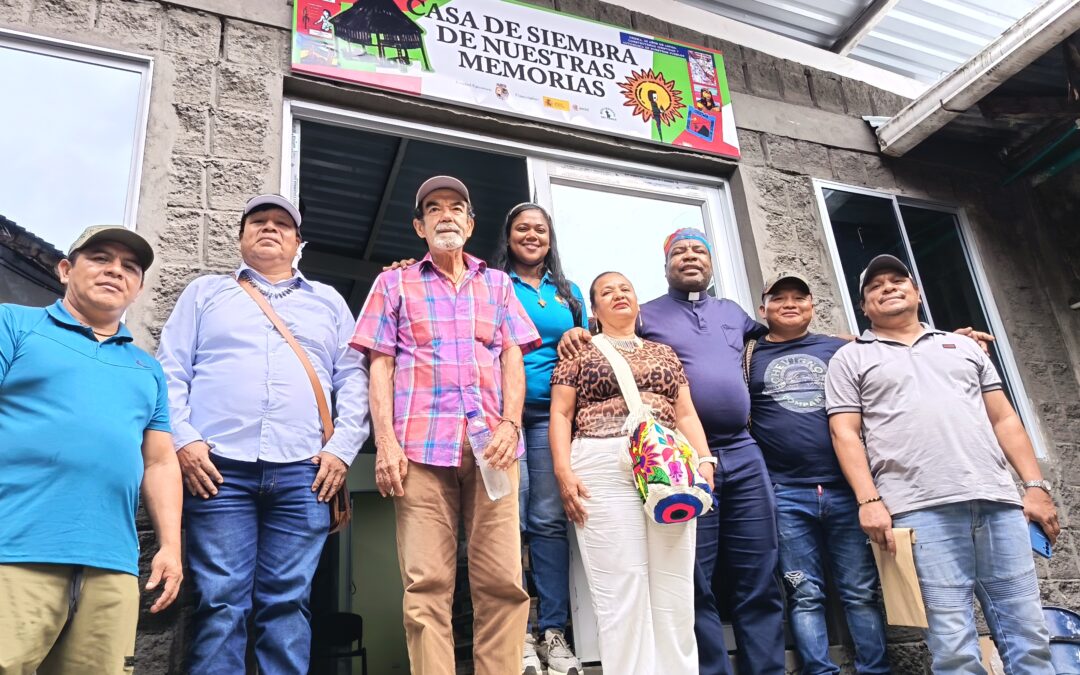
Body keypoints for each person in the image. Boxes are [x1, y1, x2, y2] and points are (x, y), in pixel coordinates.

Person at [157, 194, 370, 675]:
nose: (269, 228)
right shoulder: (205, 292)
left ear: (299, 242)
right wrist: (185, 441)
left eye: (282, 224)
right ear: (240, 237)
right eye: (258, 222)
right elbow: (169, 371)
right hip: (217, 472)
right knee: (220, 602)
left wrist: (341, 451)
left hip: (305, 474)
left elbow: (353, 379)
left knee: (287, 603)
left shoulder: (328, 301)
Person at [559, 227, 784, 675]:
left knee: (728, 577)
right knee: (662, 581)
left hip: (715, 457)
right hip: (634, 461)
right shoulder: (618, 331)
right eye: (679, 251)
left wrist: (846, 341)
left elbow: (783, 332)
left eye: (699, 249)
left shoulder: (728, 315)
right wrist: (576, 334)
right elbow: (574, 397)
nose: (690, 257)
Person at [826, 254, 1059, 673]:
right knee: (952, 647)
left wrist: (1035, 487)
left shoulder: (964, 346)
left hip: (999, 504)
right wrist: (868, 499)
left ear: (918, 292)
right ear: (864, 307)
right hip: (918, 511)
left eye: (898, 280)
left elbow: (1005, 418)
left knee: (1029, 634)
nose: (888, 288)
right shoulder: (850, 358)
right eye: (875, 286)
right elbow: (845, 434)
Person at [350, 176, 540, 675]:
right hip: (419, 449)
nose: (446, 215)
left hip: (493, 450)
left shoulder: (498, 284)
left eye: (456, 207)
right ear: (419, 226)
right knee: (427, 585)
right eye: (433, 209)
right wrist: (385, 442)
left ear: (471, 223)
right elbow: (379, 364)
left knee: (503, 582)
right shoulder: (393, 283)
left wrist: (511, 425)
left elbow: (512, 359)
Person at [0, 226, 182, 674]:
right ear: (66, 269)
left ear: (137, 287)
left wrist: (171, 547)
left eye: (129, 267)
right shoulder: (14, 325)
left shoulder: (147, 368)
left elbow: (159, 461)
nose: (115, 271)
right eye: (100, 258)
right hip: (16, 547)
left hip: (111, 564)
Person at [550, 271, 715, 675]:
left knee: (674, 587)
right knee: (622, 587)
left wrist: (705, 460)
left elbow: (686, 412)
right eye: (607, 291)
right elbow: (560, 412)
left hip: (668, 465)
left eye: (626, 288)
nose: (618, 294)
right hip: (602, 462)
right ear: (594, 309)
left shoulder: (665, 353)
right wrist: (563, 471)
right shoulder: (578, 352)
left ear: (638, 303)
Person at [748, 273, 888, 674]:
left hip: (849, 491)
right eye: (779, 299)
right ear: (763, 310)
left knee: (861, 593)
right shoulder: (748, 355)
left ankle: (875, 670)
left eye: (799, 297)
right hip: (785, 491)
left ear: (812, 306)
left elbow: (902, 344)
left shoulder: (840, 349)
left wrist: (959, 336)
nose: (789, 304)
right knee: (804, 593)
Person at [492, 203, 587, 675]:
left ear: (550, 240)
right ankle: (519, 633)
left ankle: (554, 632)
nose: (532, 235)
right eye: (522, 228)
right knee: (510, 522)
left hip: (554, 419)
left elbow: (587, 350)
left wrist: (578, 338)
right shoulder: (490, 283)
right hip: (503, 415)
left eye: (540, 230)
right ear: (508, 236)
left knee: (549, 522)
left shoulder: (567, 293)